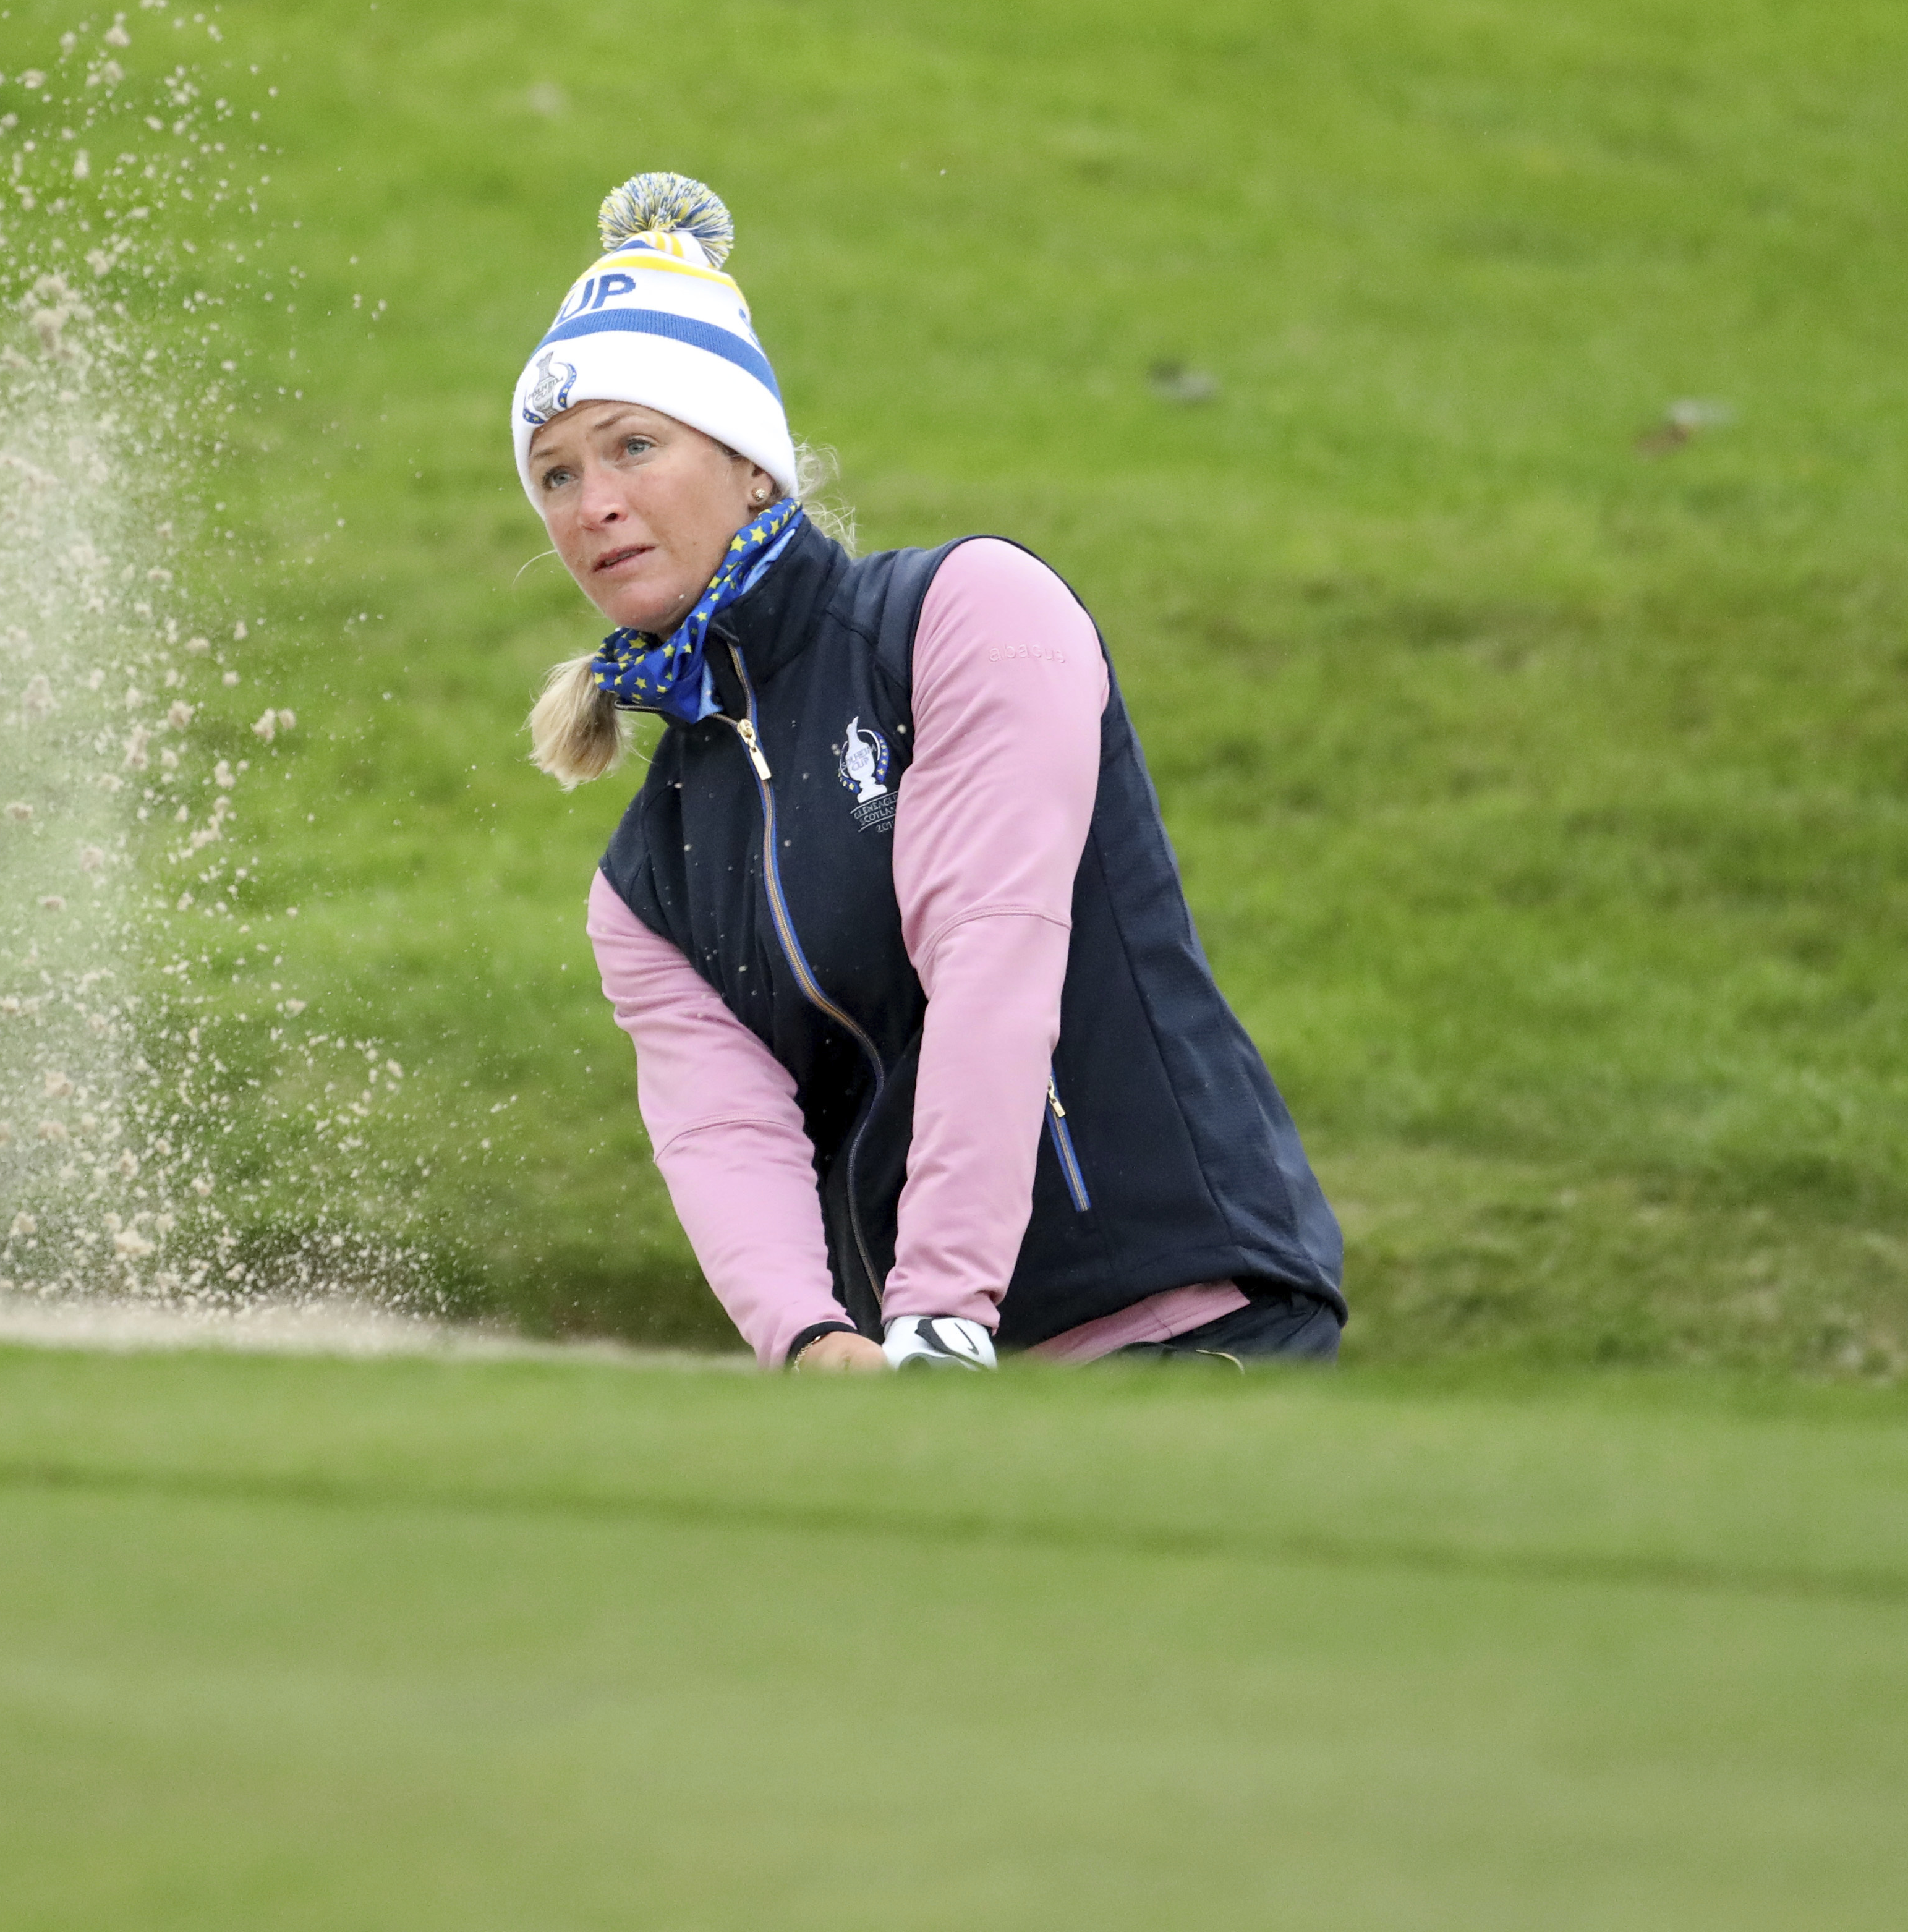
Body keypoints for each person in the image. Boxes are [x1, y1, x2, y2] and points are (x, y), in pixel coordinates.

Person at [517, 175, 1347, 1373]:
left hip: (1189, 1321)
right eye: (555, 475)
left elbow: (993, 947)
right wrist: (811, 1343)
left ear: (751, 462)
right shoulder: (644, 875)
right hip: (943, 1380)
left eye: (634, 447)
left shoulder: (967, 615)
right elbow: (722, 1130)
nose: (594, 504)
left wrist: (942, 1307)